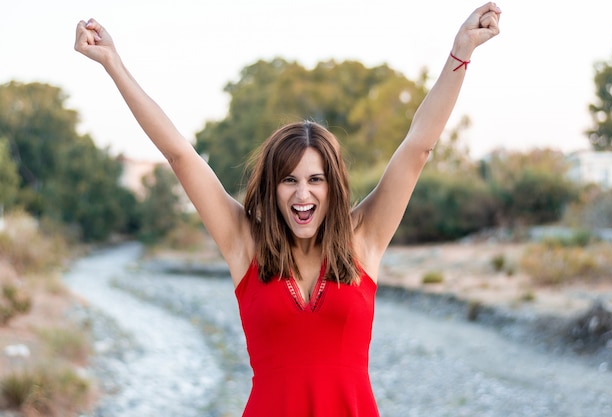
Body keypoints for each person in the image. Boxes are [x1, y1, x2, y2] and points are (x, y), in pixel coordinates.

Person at [75, 3, 501, 416]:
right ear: (272, 188)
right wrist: (113, 63)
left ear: (333, 187)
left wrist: (460, 52)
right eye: (289, 180)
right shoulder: (244, 244)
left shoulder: (364, 238)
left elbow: (418, 147)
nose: (303, 194)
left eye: (316, 180)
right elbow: (180, 155)